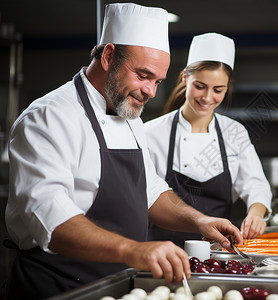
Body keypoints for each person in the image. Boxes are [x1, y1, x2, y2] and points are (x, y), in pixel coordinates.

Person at [3, 4, 242, 299]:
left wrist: (198, 220)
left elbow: (150, 191)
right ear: (108, 56)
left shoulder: (129, 116)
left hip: (117, 285)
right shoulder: (48, 117)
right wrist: (133, 249)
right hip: (60, 287)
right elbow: (50, 216)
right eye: (143, 75)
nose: (151, 92)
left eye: (157, 81)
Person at [144, 33, 272, 247]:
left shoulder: (234, 132)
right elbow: (147, 195)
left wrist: (256, 213)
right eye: (200, 86)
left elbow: (255, 184)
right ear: (185, 78)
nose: (207, 98)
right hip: (161, 251)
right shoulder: (152, 133)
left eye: (218, 90)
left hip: (217, 252)